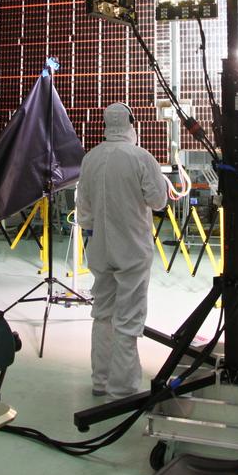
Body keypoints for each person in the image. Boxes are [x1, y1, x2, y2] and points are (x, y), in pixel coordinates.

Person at [76, 103, 168, 399]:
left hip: (99, 250)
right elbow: (158, 202)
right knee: (128, 319)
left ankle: (100, 381)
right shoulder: (141, 157)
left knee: (102, 313)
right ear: (131, 123)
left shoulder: (90, 158)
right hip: (132, 251)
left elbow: (84, 209)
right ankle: (124, 389)